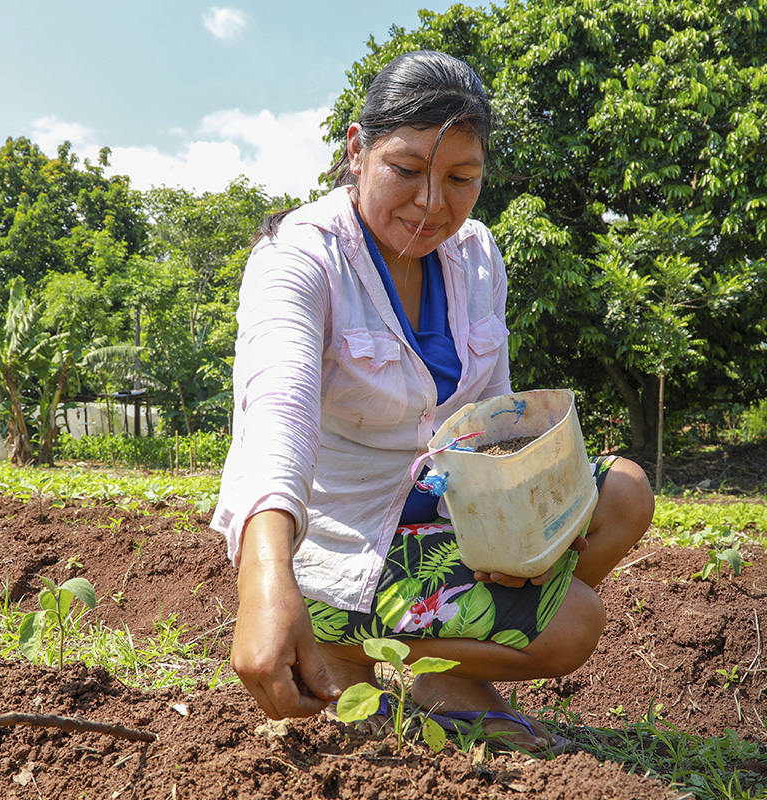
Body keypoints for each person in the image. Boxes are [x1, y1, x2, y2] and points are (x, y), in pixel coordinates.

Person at [211, 50, 654, 755]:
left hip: (444, 504)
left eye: (460, 179)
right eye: (407, 170)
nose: (431, 203)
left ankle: (435, 661)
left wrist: (511, 527)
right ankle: (353, 648)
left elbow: (494, 417)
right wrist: (265, 579)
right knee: (574, 622)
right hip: (348, 541)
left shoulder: (475, 255)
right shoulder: (300, 259)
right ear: (357, 150)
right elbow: (276, 415)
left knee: (625, 491)